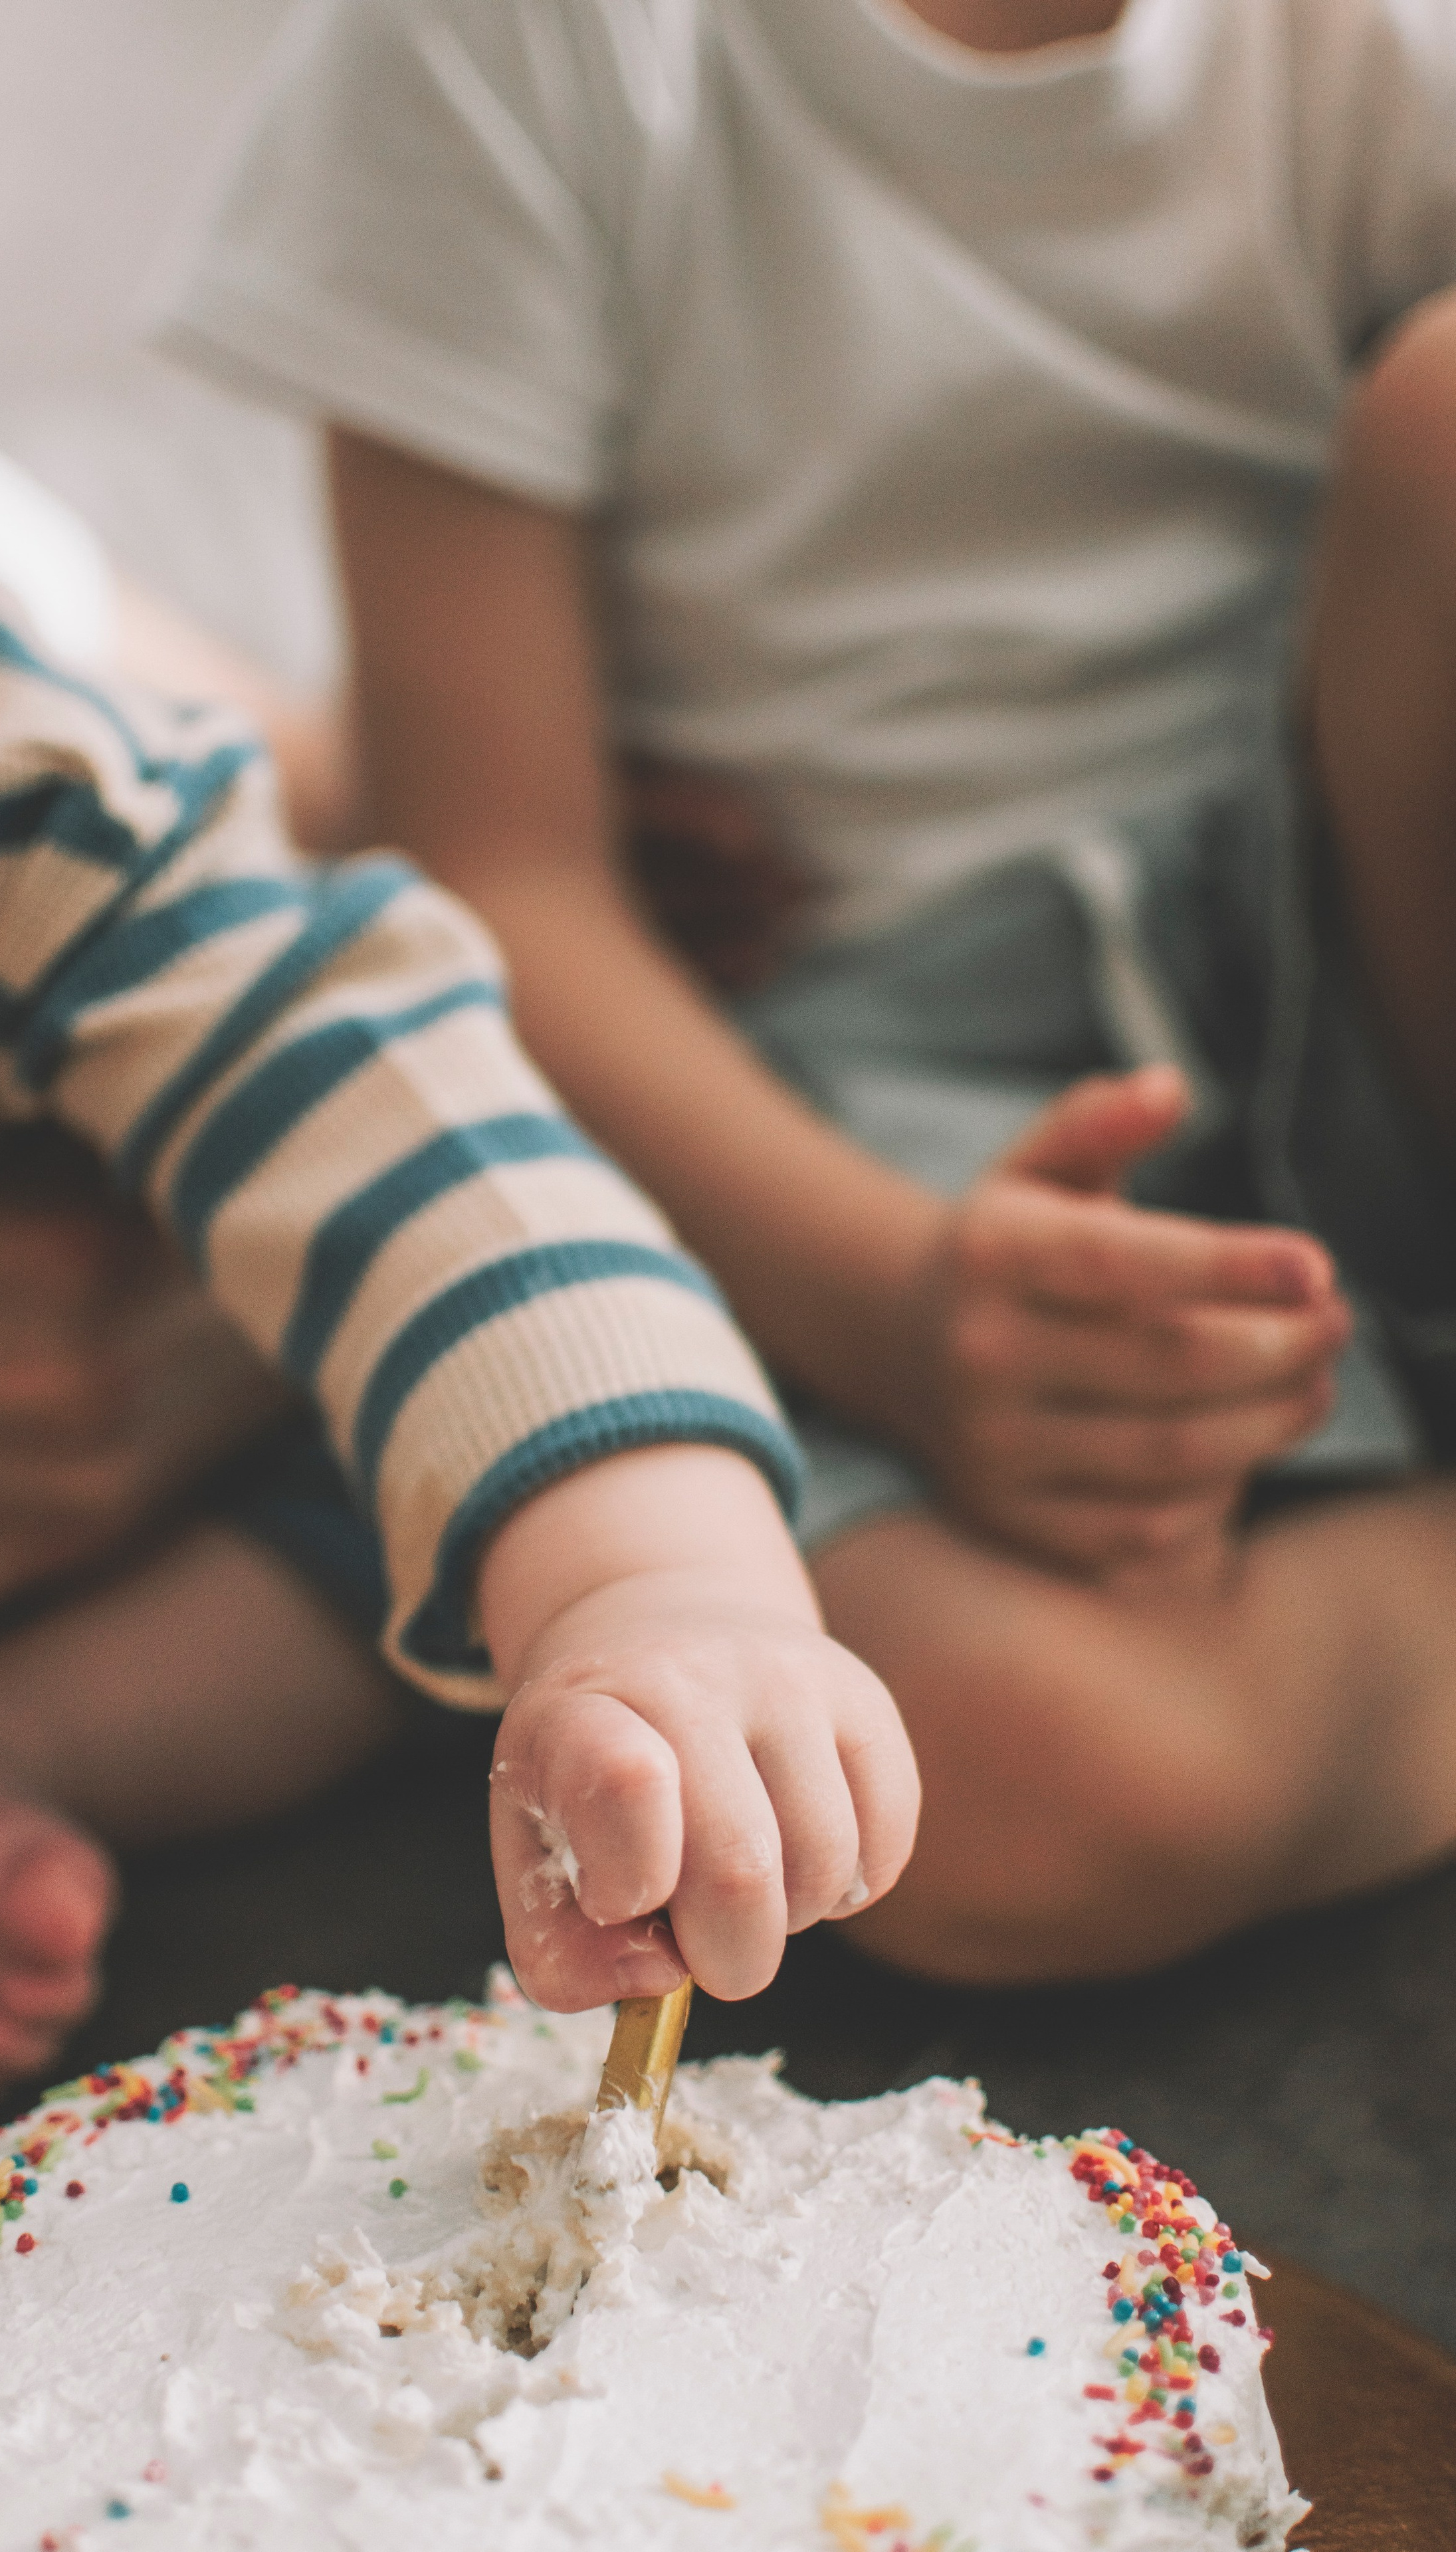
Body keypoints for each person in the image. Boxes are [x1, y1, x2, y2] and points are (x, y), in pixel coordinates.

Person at [159, 0, 1456, 1984]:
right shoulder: (507, 50)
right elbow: (496, 884)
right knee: (985, 1774)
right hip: (813, 1080)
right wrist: (903, 1310)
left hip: (1335, 880)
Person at [0, 0, 920, 2123]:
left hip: (44, 1522)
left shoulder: (10, 805)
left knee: (419, 1494)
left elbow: (415, 1137)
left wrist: (655, 1588)